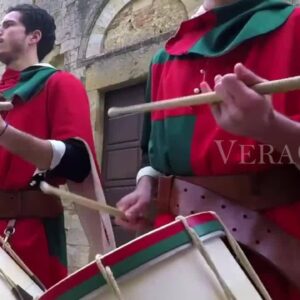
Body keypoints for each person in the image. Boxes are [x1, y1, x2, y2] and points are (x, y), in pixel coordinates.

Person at [116, 0, 300, 298]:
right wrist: (145, 186)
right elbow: (152, 155)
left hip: (277, 255)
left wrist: (270, 127)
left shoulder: (295, 26)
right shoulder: (163, 57)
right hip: (180, 252)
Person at [0, 4, 115, 288]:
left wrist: (4, 132)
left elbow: (78, 164)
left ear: (33, 37)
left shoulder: (59, 83)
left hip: (28, 235)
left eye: (7, 25)